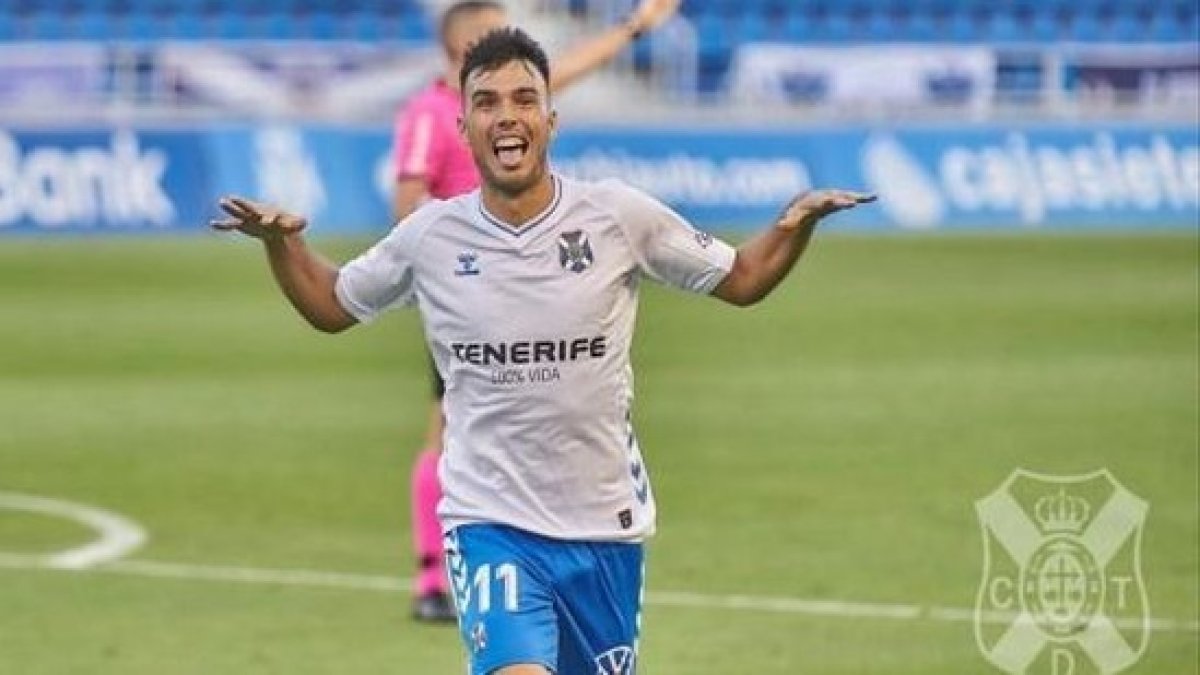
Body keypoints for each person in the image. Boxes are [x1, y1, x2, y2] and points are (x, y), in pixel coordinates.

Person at [212, 27, 873, 675]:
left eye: (524, 99)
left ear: (550, 120)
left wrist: (794, 227)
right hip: (489, 519)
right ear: (463, 127)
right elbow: (333, 304)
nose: (508, 116)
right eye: (487, 102)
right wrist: (282, 244)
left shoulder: (617, 215)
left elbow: (742, 278)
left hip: (604, 526)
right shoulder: (430, 238)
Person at [392, 0, 683, 623]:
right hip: (472, 298)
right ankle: (430, 573)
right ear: (457, 49)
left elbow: (567, 69)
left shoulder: (514, 103)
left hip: (529, 286)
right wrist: (443, 268)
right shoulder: (430, 113)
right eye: (488, 34)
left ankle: (501, 563)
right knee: (446, 431)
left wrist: (633, 28)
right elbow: (408, 198)